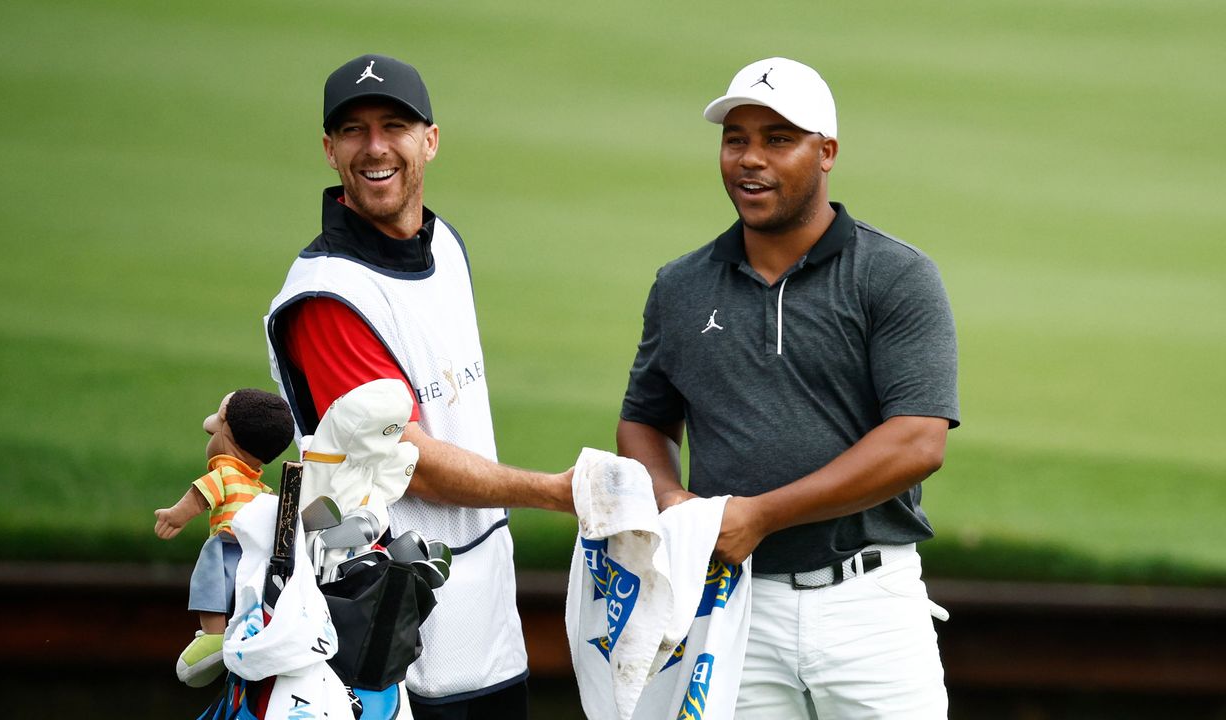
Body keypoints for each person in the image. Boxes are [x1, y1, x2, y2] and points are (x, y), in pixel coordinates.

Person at [616, 57, 959, 719]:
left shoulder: (894, 276)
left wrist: (761, 515)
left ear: (826, 153)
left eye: (778, 139)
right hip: (732, 604)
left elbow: (918, 441)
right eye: (735, 138)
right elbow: (644, 421)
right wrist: (676, 502)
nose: (750, 159)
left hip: (869, 605)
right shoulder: (680, 286)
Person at [263, 53, 574, 719]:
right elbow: (413, 464)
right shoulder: (327, 297)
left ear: (429, 140)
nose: (375, 147)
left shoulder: (447, 247)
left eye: (394, 125)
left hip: (487, 623)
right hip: (390, 650)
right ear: (329, 149)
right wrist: (553, 492)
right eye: (353, 130)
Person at [153, 388, 295, 688]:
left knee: (210, 578)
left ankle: (214, 635)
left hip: (227, 544)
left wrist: (174, 516)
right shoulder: (261, 488)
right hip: (254, 553)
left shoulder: (225, 472)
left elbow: (200, 495)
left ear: (226, 436)